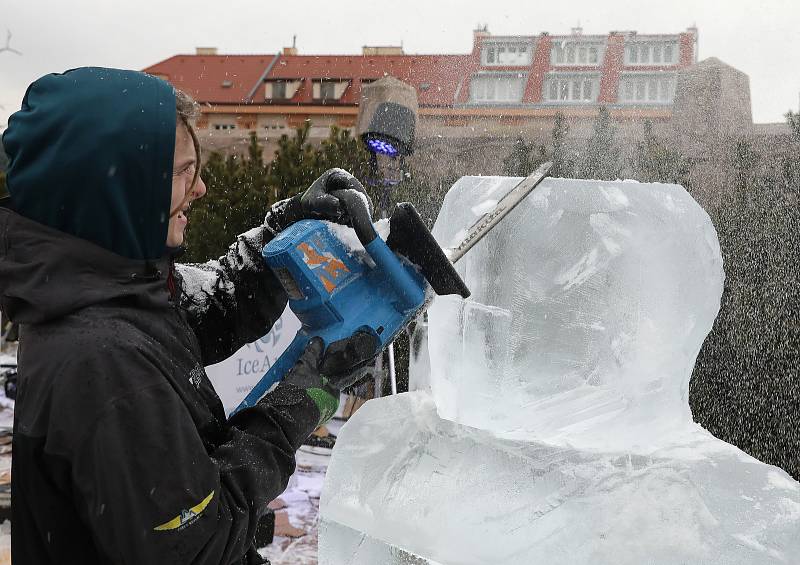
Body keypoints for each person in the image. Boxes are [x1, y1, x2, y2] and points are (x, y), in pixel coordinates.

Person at [0, 67, 378, 564]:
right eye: (182, 172)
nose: (199, 188)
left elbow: (212, 308)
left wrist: (282, 233)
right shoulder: (103, 361)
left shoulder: (107, 283)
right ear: (121, 187)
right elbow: (199, 543)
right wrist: (304, 399)